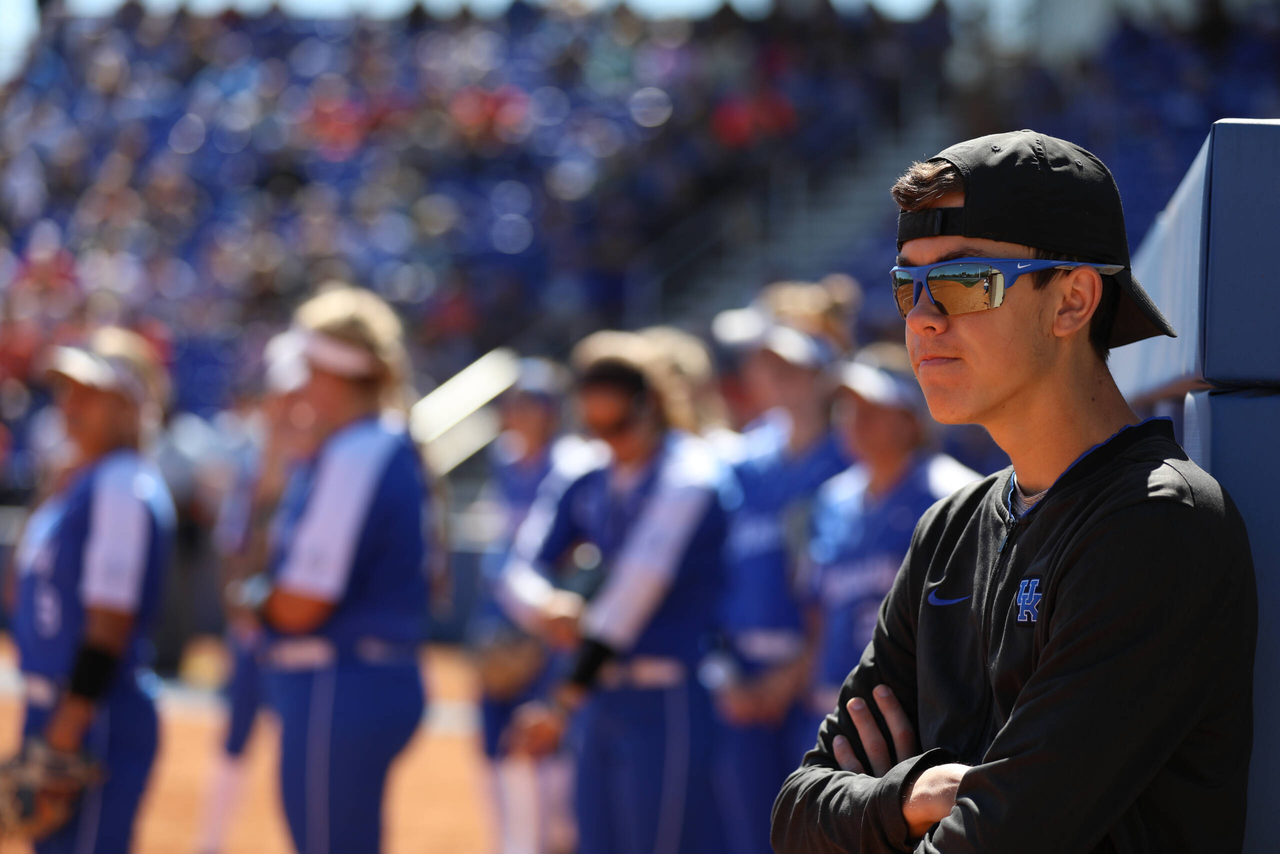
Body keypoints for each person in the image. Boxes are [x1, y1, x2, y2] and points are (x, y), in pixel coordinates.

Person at [771, 130, 1256, 853]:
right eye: (908, 285)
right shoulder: (950, 527)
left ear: (1073, 301)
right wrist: (912, 795)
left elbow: (1001, 840)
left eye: (965, 281)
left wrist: (879, 815)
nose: (923, 317)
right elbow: (797, 814)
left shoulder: (1157, 523)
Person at [498, 330, 734, 854]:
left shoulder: (691, 472)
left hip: (667, 695)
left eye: (620, 425)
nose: (608, 440)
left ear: (650, 406)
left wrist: (560, 699)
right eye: (594, 426)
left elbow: (633, 595)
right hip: (601, 696)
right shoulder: (587, 471)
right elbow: (517, 567)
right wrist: (545, 605)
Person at [230, 286, 432, 854]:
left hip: (341, 684)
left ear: (333, 376)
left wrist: (253, 601)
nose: (295, 388)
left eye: (307, 371)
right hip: (348, 682)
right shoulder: (355, 446)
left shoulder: (358, 451)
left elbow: (302, 602)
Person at [3, 327, 175, 854]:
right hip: (62, 708)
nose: (70, 405)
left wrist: (63, 733)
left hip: (91, 715)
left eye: (91, 393)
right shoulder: (83, 481)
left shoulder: (122, 483)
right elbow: (20, 593)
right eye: (67, 390)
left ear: (131, 406)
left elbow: (108, 625)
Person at [705, 317, 852, 854]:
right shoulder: (738, 462)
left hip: (818, 682)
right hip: (741, 681)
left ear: (823, 375)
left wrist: (795, 673)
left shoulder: (848, 456)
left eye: (793, 366)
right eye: (768, 366)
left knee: (813, 834)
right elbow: (709, 576)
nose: (779, 378)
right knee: (748, 834)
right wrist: (724, 674)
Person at [799, 343, 978, 739]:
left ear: (910, 418)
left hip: (912, 711)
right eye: (847, 407)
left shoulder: (954, 494)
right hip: (833, 706)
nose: (854, 420)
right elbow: (817, 610)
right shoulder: (832, 499)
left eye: (872, 408)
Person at [195, 331, 316, 854]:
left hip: (304, 629)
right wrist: (240, 615)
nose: (283, 409)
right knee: (236, 735)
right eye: (278, 397)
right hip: (255, 628)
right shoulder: (252, 466)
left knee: (305, 749)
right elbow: (236, 549)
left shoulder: (325, 462)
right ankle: (211, 842)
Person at [469, 357, 582, 854]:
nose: (515, 413)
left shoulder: (572, 464)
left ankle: (557, 840)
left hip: (550, 624)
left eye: (528, 404)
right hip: (503, 616)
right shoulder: (505, 460)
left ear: (550, 411)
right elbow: (503, 547)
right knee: (493, 735)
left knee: (548, 738)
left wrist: (541, 624)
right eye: (512, 404)